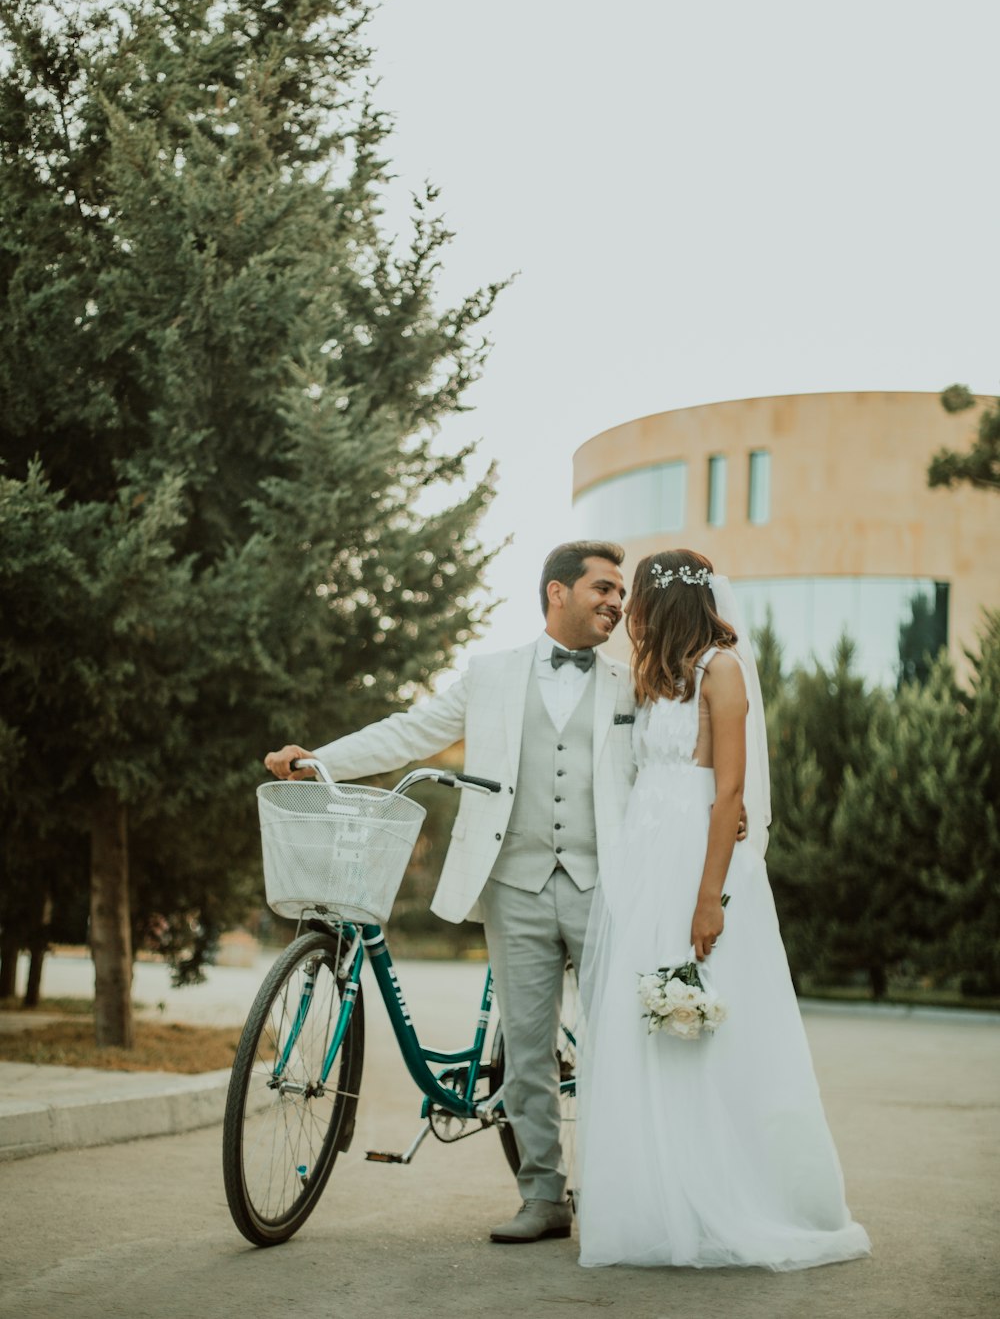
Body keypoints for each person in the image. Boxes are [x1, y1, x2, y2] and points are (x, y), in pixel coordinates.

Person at [265, 541, 636, 1243]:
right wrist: (321, 761)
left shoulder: (629, 685)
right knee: (526, 1049)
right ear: (558, 592)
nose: (618, 601)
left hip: (605, 884)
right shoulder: (491, 674)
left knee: (619, 1048)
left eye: (622, 592)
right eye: (605, 587)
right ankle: (543, 1198)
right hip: (512, 884)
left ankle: (622, 1193)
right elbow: (413, 731)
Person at [576, 548, 871, 1270]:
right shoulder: (657, 677)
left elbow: (729, 795)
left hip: (696, 860)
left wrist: (709, 900)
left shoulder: (722, 669)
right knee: (644, 1027)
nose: (629, 611)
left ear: (662, 603)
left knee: (709, 1023)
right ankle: (657, 1198)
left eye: (636, 597)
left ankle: (729, 1196)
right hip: (649, 857)